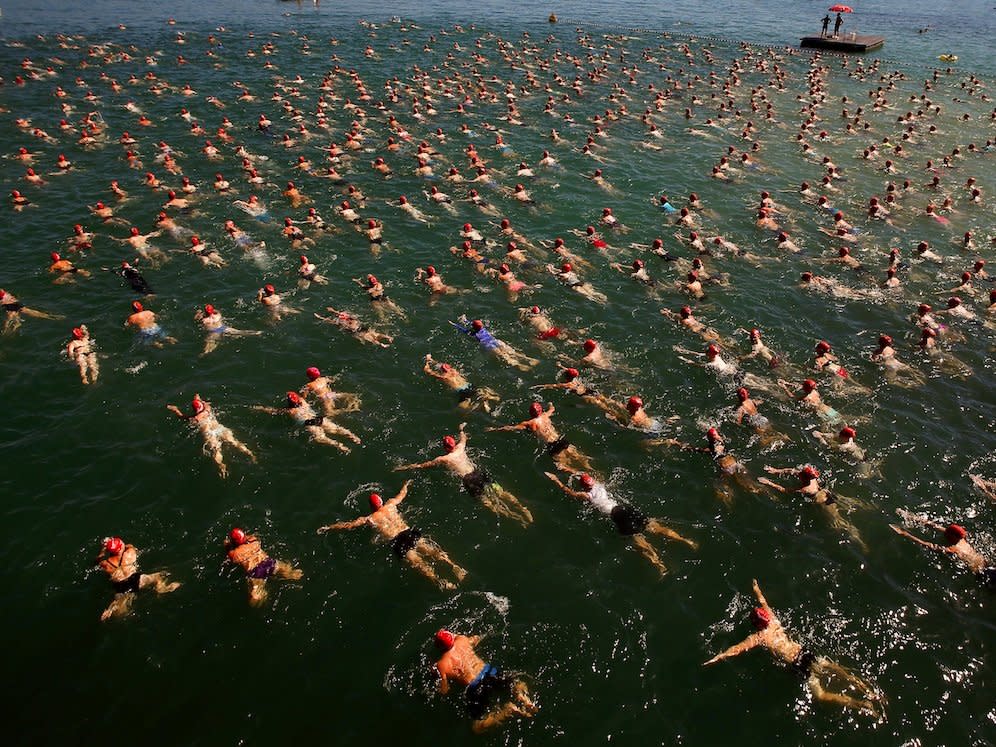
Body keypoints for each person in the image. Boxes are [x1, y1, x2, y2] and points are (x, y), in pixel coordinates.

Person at [704, 580, 883, 716]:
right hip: (804, 652)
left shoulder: (759, 637)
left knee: (820, 695)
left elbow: (737, 649)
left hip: (796, 664)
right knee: (834, 667)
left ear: (756, 624)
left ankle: (857, 704)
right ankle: (864, 687)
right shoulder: (774, 620)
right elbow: (763, 601)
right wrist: (756, 588)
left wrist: (718, 657)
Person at [317, 481, 466, 590]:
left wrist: (328, 527)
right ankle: (455, 566)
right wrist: (406, 484)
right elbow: (402, 495)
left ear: (371, 507)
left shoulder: (369, 519)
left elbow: (348, 525)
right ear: (381, 501)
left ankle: (440, 581)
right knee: (433, 550)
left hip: (397, 541)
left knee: (420, 564)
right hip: (408, 532)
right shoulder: (390, 504)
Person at [544, 472, 696, 575]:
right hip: (624, 508)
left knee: (639, 540)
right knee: (654, 527)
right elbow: (585, 474)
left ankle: (660, 566)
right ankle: (686, 540)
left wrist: (555, 479)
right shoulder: (599, 484)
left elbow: (567, 492)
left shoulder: (586, 495)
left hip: (617, 516)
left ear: (583, 486)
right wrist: (573, 470)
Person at [394, 422, 532, 526]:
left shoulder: (443, 459)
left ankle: (513, 517)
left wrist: (405, 467)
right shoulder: (461, 448)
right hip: (477, 472)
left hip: (468, 480)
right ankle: (523, 509)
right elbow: (463, 437)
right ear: (454, 444)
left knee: (486, 501)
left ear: (445, 447)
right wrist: (461, 428)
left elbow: (423, 465)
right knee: (500, 491)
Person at [434, 629, 538, 733]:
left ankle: (507, 712)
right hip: (488, 671)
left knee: (477, 727)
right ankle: (523, 697)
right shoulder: (462, 640)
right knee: (517, 683)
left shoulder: (442, 664)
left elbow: (444, 690)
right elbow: (476, 638)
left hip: (476, 685)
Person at [890, 515, 995, 589]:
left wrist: (905, 534)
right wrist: (912, 517)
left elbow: (930, 546)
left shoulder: (955, 549)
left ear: (952, 536)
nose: (945, 534)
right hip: (987, 565)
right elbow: (934, 526)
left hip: (982, 574)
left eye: (947, 534)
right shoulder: (962, 540)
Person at [488, 401, 595, 474]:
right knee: (579, 457)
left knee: (565, 466)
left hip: (552, 446)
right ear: (541, 411)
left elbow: (511, 428)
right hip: (561, 440)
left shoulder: (530, 423)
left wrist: (494, 429)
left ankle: (579, 474)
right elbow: (552, 409)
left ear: (530, 413)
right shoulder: (545, 415)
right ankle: (591, 469)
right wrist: (550, 404)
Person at [166, 394, 256, 477]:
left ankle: (222, 467)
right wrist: (198, 399)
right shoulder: (207, 409)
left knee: (216, 450)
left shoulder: (195, 419)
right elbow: (202, 403)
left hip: (209, 433)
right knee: (234, 442)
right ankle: (250, 454)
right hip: (219, 428)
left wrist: (175, 410)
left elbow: (182, 417)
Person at [97, 536, 180, 621]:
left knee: (121, 611)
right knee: (158, 577)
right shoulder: (130, 552)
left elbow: (98, 559)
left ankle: (111, 610)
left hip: (122, 587)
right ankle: (161, 589)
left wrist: (103, 549)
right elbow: (130, 546)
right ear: (120, 548)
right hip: (137, 579)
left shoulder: (106, 564)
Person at [254, 391, 361, 452]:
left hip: (308, 423)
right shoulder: (303, 402)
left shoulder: (290, 410)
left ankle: (339, 446)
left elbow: (274, 411)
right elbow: (300, 395)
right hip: (318, 418)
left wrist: (259, 408)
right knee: (337, 429)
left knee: (321, 438)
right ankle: (353, 436)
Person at [225, 528, 303, 606]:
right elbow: (251, 536)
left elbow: (228, 550)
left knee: (255, 597)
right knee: (288, 570)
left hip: (256, 572)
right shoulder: (253, 540)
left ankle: (260, 596)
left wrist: (227, 544)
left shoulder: (235, 554)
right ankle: (291, 574)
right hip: (269, 563)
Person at [451, 318, 538, 371]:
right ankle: (528, 359)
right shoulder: (483, 328)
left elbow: (462, 329)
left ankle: (519, 365)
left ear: (473, 327)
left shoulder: (472, 333)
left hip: (488, 345)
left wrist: (454, 324)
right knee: (511, 352)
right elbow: (474, 324)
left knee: (503, 356)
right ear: (481, 326)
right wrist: (466, 320)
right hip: (496, 341)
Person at [423, 354, 500, 412]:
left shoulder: (445, 377)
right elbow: (440, 364)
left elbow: (427, 371)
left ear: (442, 371)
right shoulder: (454, 371)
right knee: (475, 393)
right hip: (470, 386)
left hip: (463, 391)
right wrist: (431, 359)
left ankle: (481, 402)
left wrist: (427, 361)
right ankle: (487, 398)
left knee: (462, 409)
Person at [197, 303, 261, 355]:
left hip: (214, 331)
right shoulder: (218, 315)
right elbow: (215, 311)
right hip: (223, 328)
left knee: (209, 344)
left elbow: (196, 318)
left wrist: (199, 313)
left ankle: (204, 353)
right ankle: (256, 333)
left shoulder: (204, 320)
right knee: (240, 332)